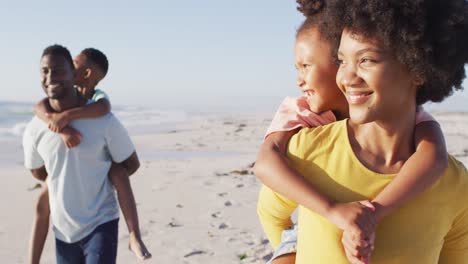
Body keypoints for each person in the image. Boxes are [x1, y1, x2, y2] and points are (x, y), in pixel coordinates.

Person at [257, 0, 468, 262]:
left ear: (418, 68)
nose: (346, 78)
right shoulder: (305, 153)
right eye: (342, 61)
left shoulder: (454, 184)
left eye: (366, 60)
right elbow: (272, 215)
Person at [27, 48, 151, 263]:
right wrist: (64, 174)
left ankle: (135, 236)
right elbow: (38, 171)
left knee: (117, 172)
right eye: (45, 71)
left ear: (76, 73)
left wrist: (103, 173)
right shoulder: (36, 127)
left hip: (101, 221)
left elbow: (131, 163)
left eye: (60, 70)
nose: (50, 77)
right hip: (63, 230)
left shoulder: (102, 114)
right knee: (44, 197)